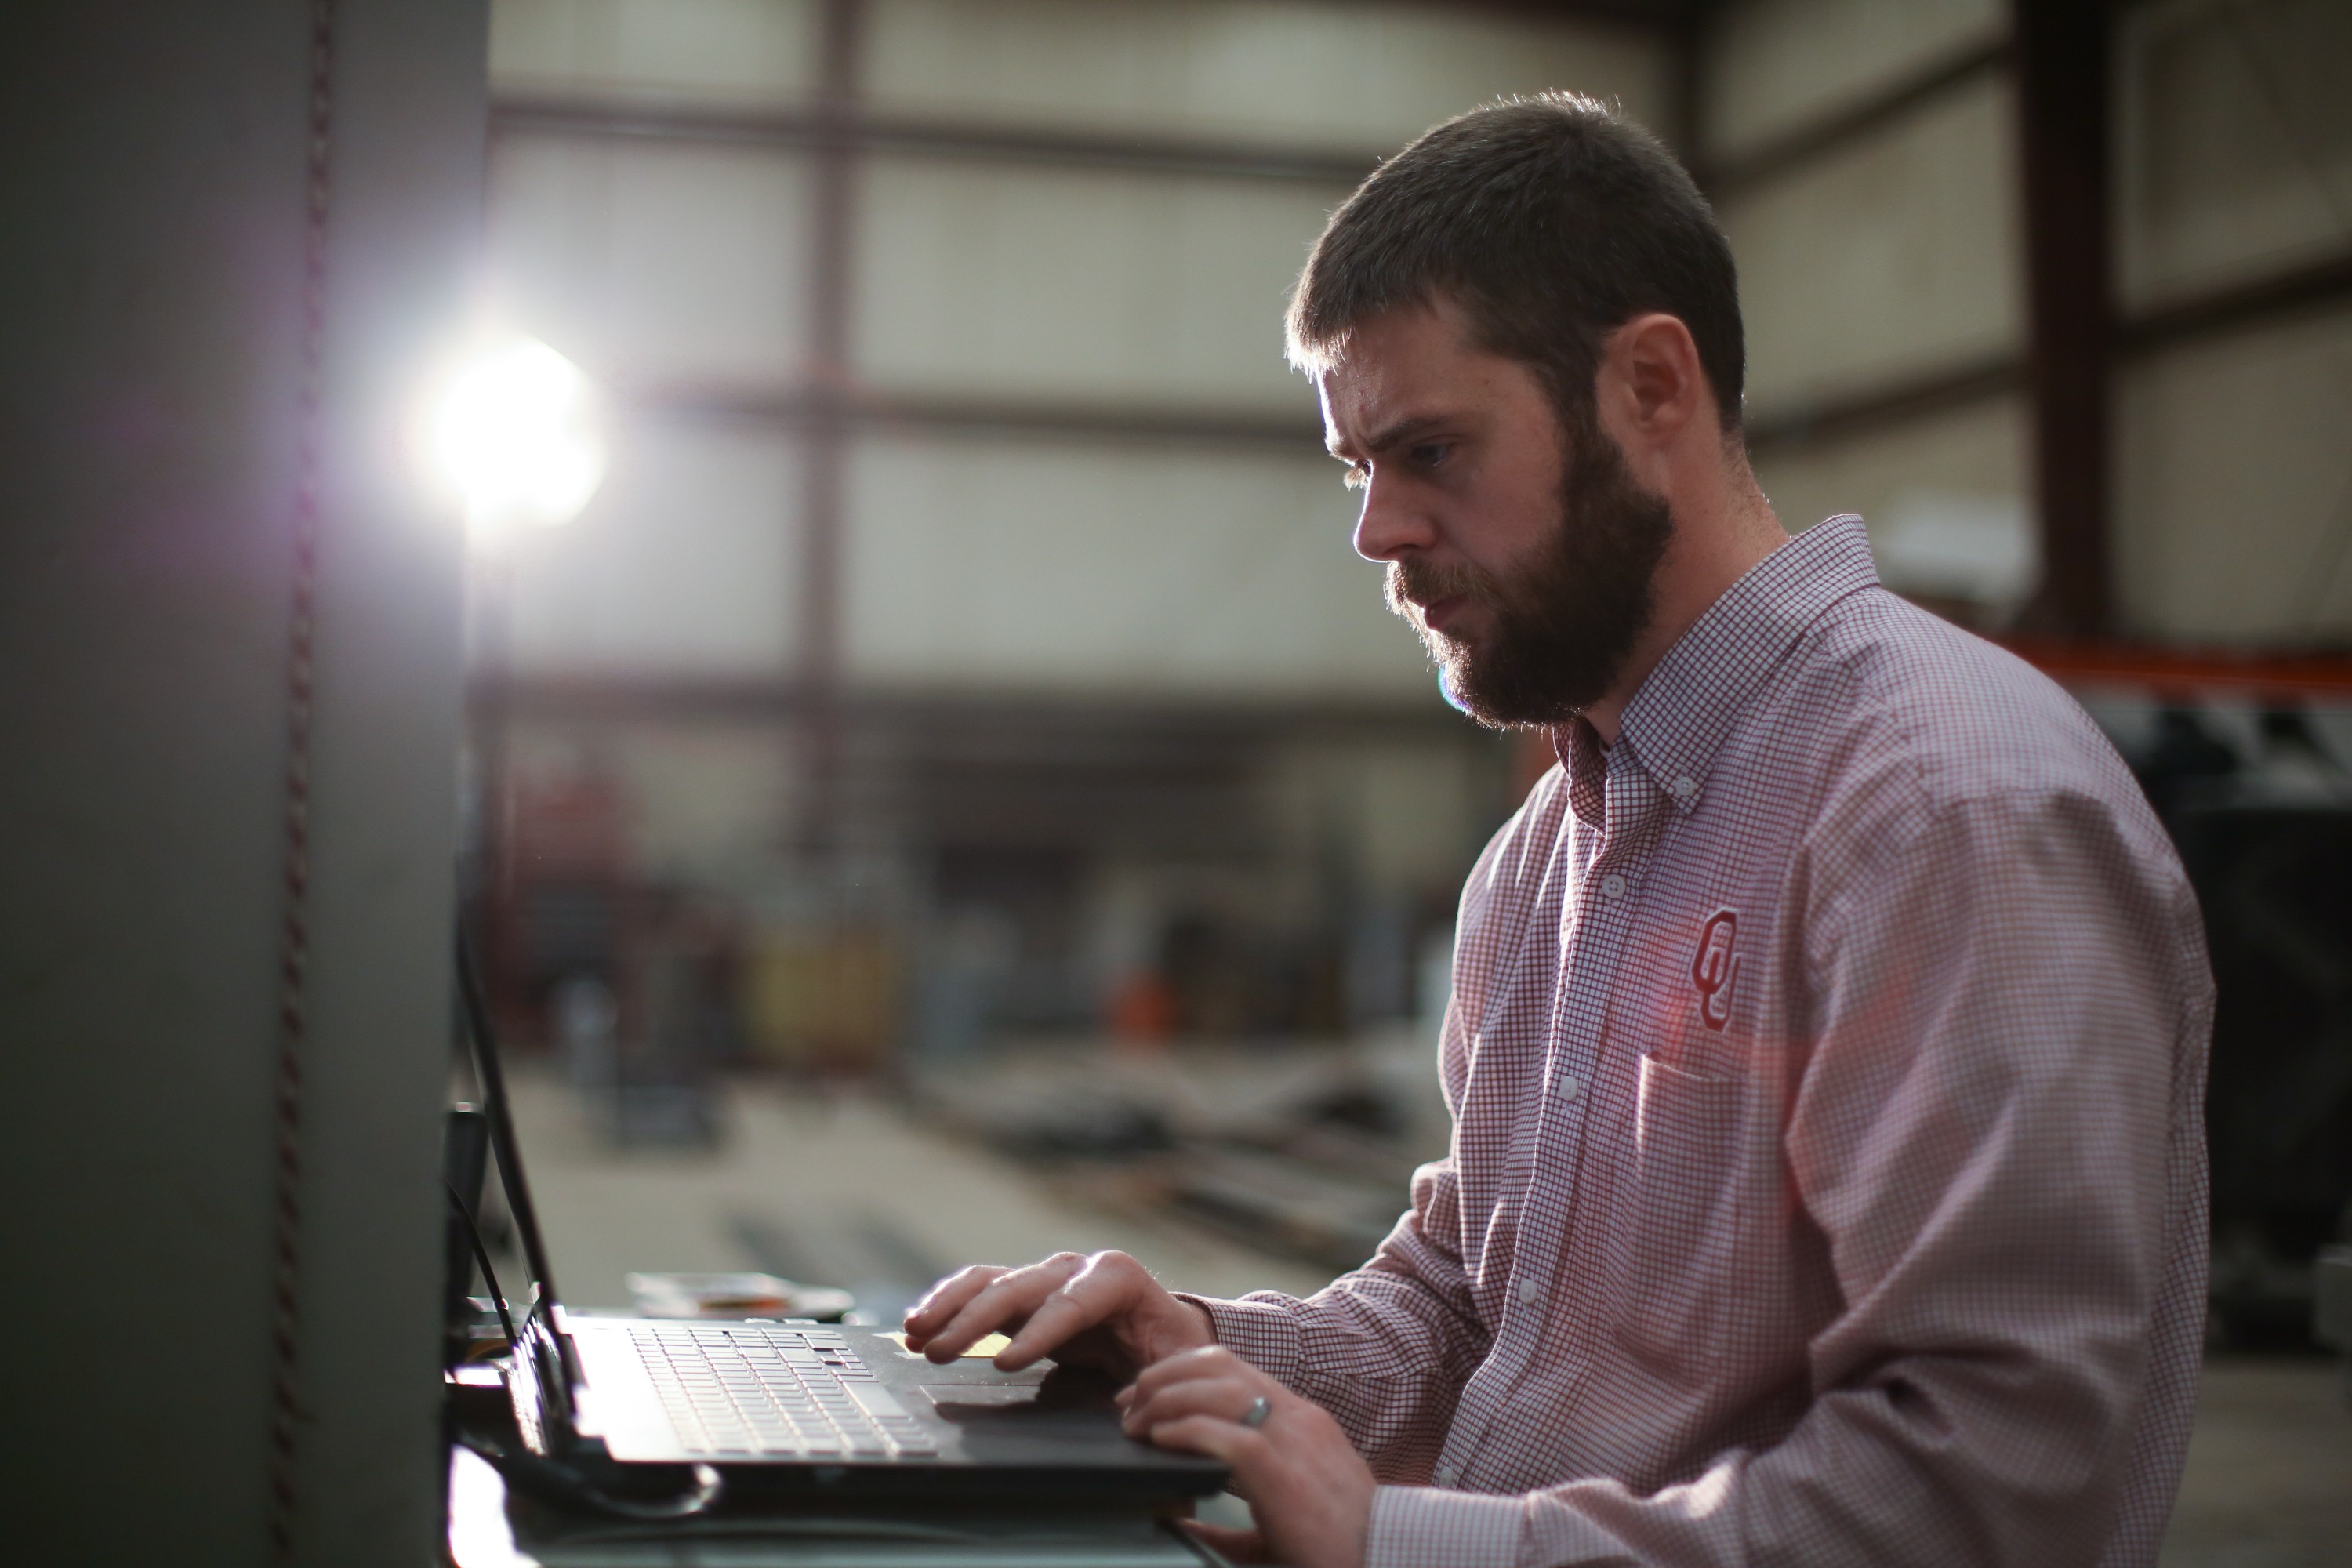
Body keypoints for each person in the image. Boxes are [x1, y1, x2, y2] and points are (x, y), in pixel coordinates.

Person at [903, 94, 2211, 1568]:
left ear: (1652, 388)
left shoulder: (1941, 811)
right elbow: (1472, 1306)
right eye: (1359, 470)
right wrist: (1199, 1350)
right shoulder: (1549, 858)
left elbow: (1996, 1485)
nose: (1376, 533)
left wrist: (1406, 1545)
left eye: (1433, 453)